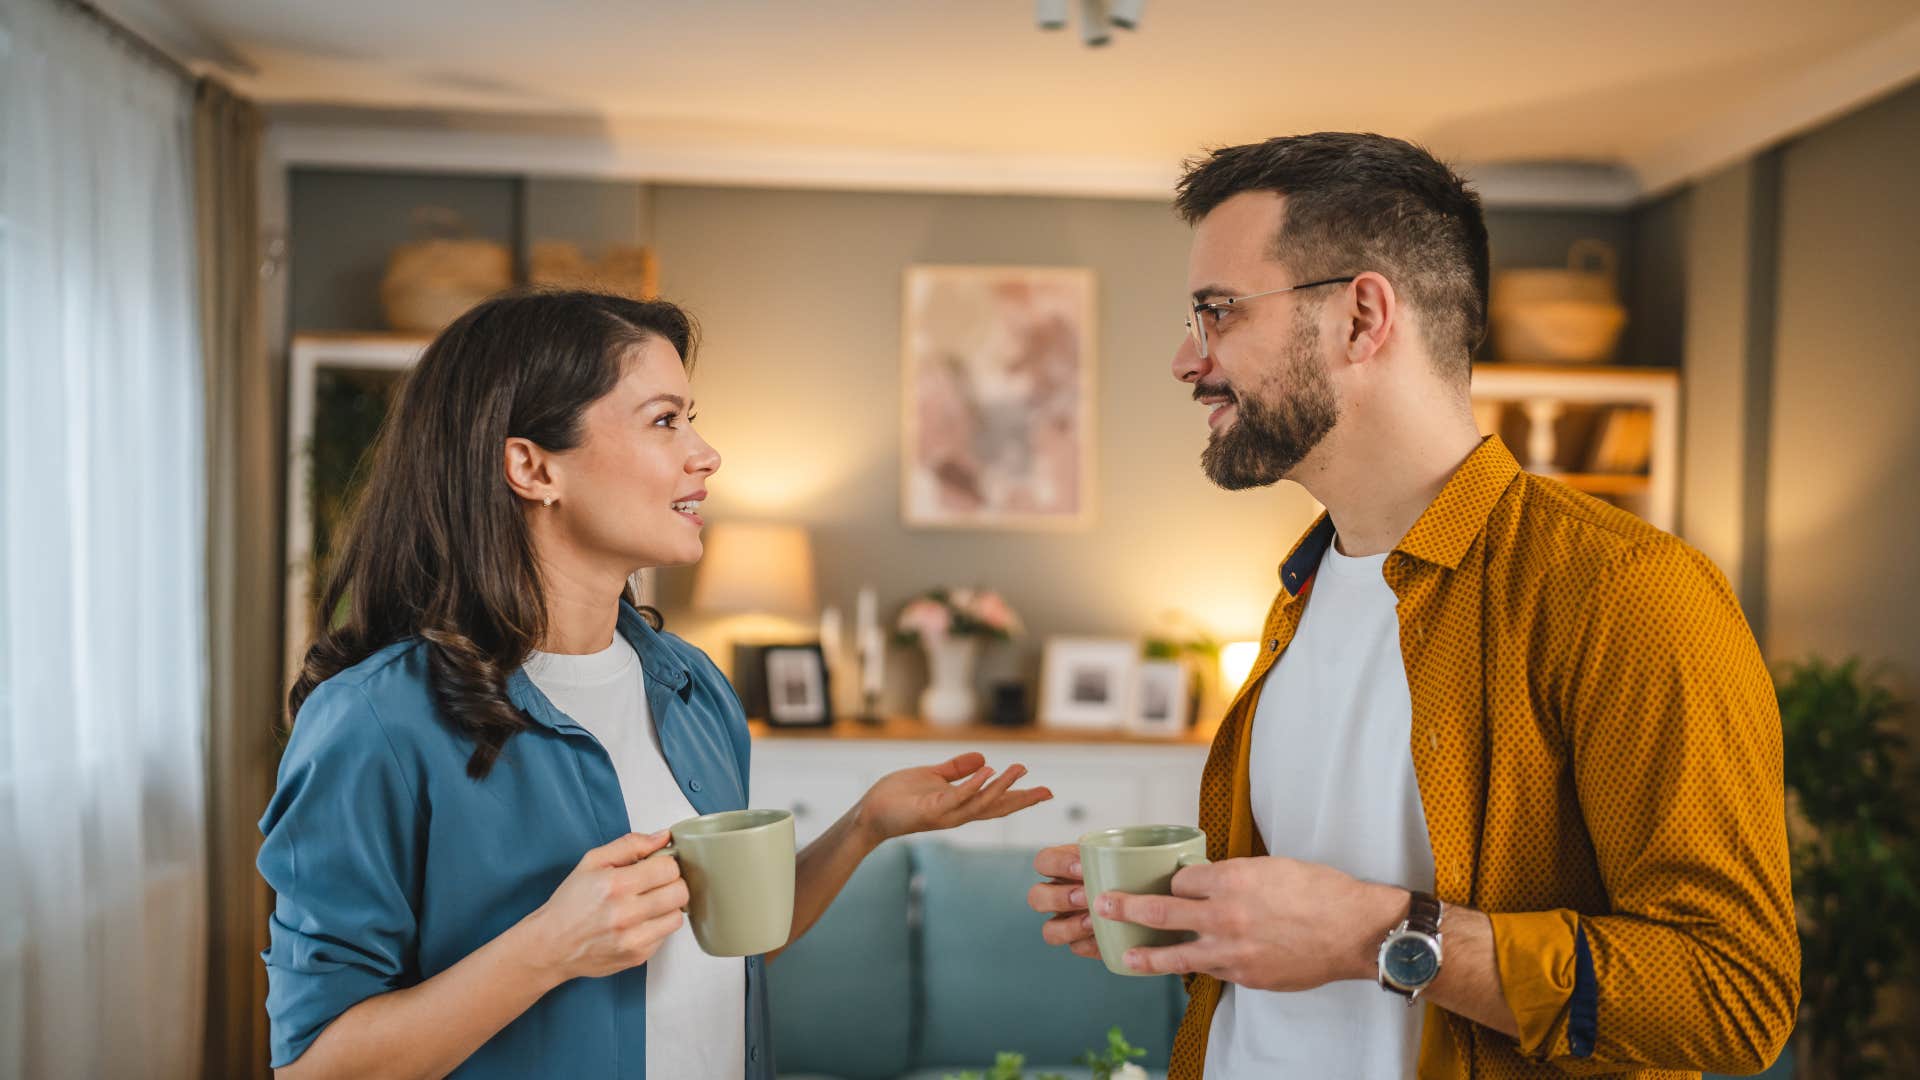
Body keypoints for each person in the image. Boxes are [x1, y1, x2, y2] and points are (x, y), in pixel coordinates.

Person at [1027, 133, 1797, 1079]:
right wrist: (1189, 912)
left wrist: (1379, 936)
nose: (1189, 359)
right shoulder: (1297, 598)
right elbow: (1299, 929)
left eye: (1216, 311)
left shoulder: (1626, 593)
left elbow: (1732, 996)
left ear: (1361, 317)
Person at [261, 290, 1052, 1079]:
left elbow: (729, 945)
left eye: (691, 418)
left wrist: (863, 827)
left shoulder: (692, 688)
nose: (705, 454)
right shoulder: (377, 722)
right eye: (665, 420)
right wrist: (545, 950)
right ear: (532, 466)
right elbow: (315, 1069)